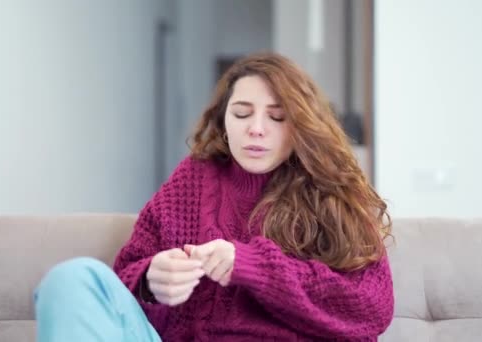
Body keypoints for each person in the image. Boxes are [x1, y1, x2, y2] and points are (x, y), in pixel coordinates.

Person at [34, 52, 394, 341]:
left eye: (277, 117)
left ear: (301, 126)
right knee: (73, 278)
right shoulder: (193, 179)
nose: (256, 128)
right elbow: (127, 273)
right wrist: (148, 281)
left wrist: (253, 266)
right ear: (224, 120)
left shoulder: (331, 192)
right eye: (241, 113)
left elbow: (373, 306)